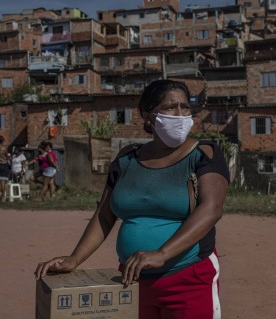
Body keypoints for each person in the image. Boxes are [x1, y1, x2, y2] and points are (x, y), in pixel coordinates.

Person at [35, 79, 230, 319]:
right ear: (147, 115)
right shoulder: (127, 159)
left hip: (189, 279)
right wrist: (74, 259)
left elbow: (212, 209)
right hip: (132, 282)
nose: (180, 115)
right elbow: (105, 215)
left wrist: (162, 253)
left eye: (185, 107)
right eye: (170, 107)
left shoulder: (203, 153)